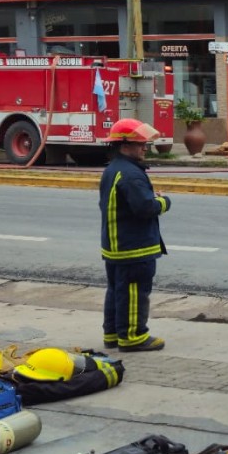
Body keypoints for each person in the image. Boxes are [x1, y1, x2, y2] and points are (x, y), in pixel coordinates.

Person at [99, 118, 171, 352]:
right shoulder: (131, 174)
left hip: (116, 246)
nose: (144, 148)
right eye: (140, 144)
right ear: (125, 145)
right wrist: (163, 201)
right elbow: (144, 208)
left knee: (116, 290)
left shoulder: (114, 170)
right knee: (134, 293)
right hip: (134, 248)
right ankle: (133, 336)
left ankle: (112, 334)